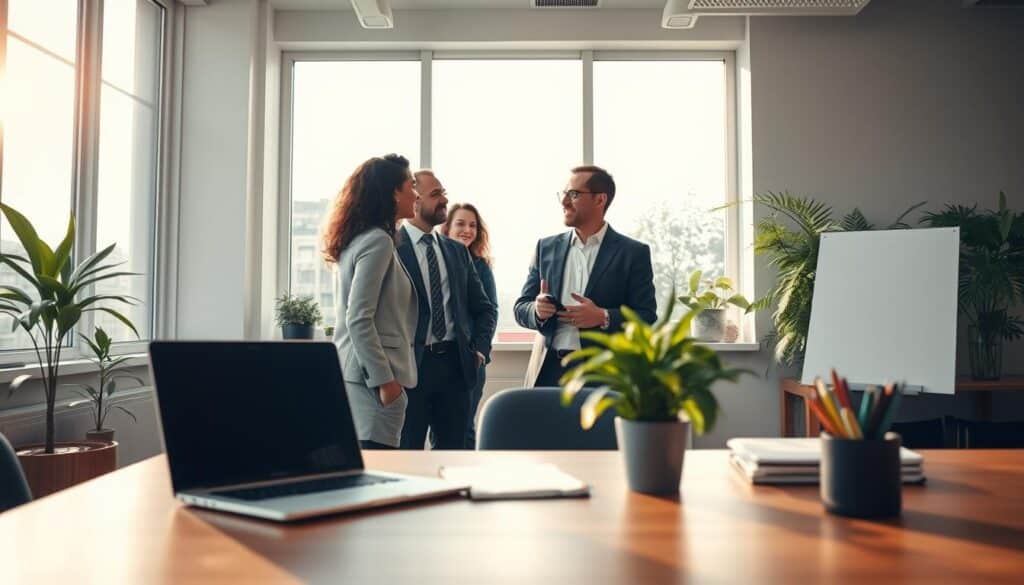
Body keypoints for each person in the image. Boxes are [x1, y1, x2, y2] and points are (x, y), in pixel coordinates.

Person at [514, 165, 657, 388]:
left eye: (573, 194)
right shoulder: (545, 247)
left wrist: (603, 316)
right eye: (563, 194)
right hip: (548, 370)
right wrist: (537, 310)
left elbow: (646, 316)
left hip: (604, 374)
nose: (564, 202)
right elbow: (521, 307)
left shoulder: (633, 253)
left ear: (600, 200)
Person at [323, 154, 419, 449]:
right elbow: (358, 317)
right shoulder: (378, 241)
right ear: (393, 192)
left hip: (362, 380)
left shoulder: (361, 239)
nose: (416, 194)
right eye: (411, 186)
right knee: (376, 466)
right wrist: (385, 383)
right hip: (373, 385)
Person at [396, 171, 497, 450]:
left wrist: (478, 350)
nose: (444, 199)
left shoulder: (456, 251)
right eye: (435, 194)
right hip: (410, 369)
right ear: (414, 201)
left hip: (455, 367)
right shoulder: (391, 246)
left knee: (455, 457)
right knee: (408, 454)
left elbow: (484, 309)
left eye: (443, 192)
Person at [441, 203, 498, 449]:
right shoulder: (435, 262)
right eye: (461, 224)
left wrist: (479, 352)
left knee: (464, 430)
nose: (467, 230)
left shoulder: (481, 265)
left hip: (469, 359)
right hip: (437, 358)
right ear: (447, 228)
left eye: (472, 225)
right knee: (440, 434)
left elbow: (490, 310)